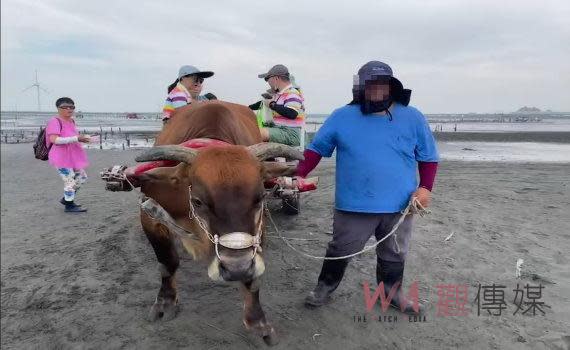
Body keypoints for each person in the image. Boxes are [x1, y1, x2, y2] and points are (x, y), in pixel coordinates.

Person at [296, 61, 439, 314]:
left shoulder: (412, 116)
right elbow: (315, 150)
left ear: (391, 87)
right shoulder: (341, 116)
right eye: (370, 85)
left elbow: (428, 157)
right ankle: (324, 288)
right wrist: (298, 174)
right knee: (341, 249)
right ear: (360, 88)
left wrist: (425, 188)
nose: (377, 90)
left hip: (400, 204)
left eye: (382, 85)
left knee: (395, 252)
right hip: (354, 203)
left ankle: (392, 294)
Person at [46, 97, 91, 213]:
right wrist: (76, 138)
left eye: (72, 107)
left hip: (73, 155)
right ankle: (69, 206)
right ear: (58, 108)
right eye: (65, 107)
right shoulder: (54, 121)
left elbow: (71, 136)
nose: (69, 109)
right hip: (60, 157)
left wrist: (82, 139)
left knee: (82, 177)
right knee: (69, 180)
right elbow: (54, 140)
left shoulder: (71, 121)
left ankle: (67, 198)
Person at [249, 64, 305, 146]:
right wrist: (244, 109)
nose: (267, 82)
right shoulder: (279, 95)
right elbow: (262, 103)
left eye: (267, 79)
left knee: (253, 133)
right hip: (280, 130)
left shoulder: (292, 93)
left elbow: (292, 113)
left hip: (292, 133)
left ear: (276, 78)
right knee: (250, 130)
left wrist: (272, 105)